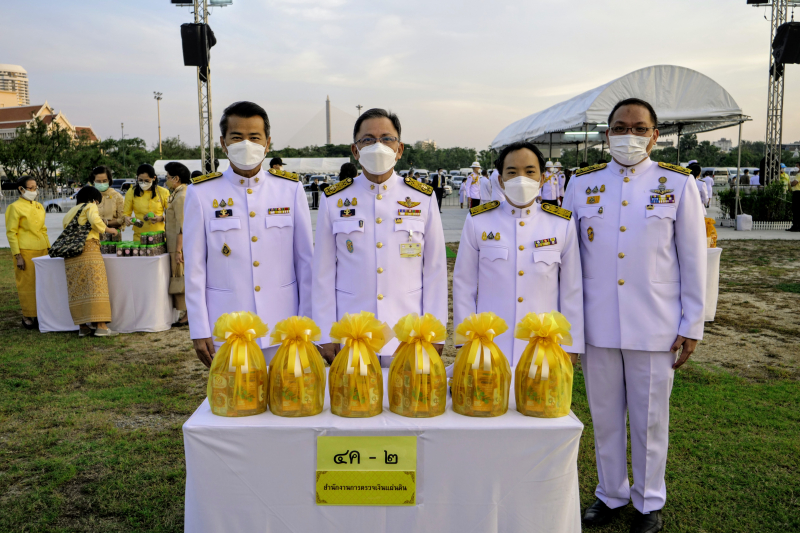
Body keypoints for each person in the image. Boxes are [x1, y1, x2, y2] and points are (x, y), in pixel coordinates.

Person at [563, 97, 706, 533]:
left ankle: (648, 502)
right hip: (597, 323)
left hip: (655, 324)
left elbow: (694, 258)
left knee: (649, 420)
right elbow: (568, 260)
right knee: (605, 417)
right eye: (621, 127)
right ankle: (610, 494)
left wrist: (692, 324)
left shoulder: (677, 183)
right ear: (606, 134)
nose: (630, 134)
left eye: (640, 127)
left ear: (655, 135)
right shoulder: (582, 184)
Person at [312, 108, 448, 367]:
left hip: (408, 333)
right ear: (355, 150)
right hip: (351, 333)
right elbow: (323, 273)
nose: (378, 146)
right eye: (368, 140)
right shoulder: (334, 200)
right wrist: (325, 330)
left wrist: (436, 329)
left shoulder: (422, 197)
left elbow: (435, 270)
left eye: (387, 139)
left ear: (399, 149)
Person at [184, 101, 314, 367]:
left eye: (254, 137)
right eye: (237, 137)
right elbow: (195, 268)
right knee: (237, 403)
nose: (246, 144)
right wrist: (199, 328)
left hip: (283, 323)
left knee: (287, 401)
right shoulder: (201, 193)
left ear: (267, 143)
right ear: (223, 143)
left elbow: (305, 263)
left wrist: (307, 321)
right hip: (227, 325)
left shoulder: (289, 189)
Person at [453, 141, 584, 364]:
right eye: (512, 172)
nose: (521, 178)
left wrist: (572, 344)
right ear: (501, 180)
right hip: (489, 345)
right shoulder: (479, 221)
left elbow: (571, 288)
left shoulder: (561, 223)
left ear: (542, 178)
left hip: (543, 346)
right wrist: (466, 341)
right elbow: (463, 284)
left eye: (530, 171)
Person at [63, 186, 119, 337]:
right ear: (94, 200)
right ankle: (101, 326)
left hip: (71, 255)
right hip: (89, 250)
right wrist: (108, 230)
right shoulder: (90, 206)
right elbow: (95, 220)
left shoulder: (70, 212)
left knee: (78, 289)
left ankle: (83, 327)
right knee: (96, 287)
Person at [5, 176, 50, 329]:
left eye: (35, 187)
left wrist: (49, 248)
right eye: (30, 188)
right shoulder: (14, 207)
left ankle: (40, 314)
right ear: (21, 189)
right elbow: (11, 233)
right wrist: (18, 255)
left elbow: (43, 229)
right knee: (27, 284)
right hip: (25, 250)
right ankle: (27, 315)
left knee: (42, 284)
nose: (33, 191)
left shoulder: (39, 206)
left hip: (42, 249)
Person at [164, 162, 191, 327]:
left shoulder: (181, 197)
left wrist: (179, 250)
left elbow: (182, 226)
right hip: (175, 244)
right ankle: (184, 313)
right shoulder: (177, 194)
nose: (166, 180)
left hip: (179, 246)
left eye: (167, 177)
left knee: (181, 279)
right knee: (179, 278)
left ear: (176, 179)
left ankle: (187, 315)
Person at [123, 164, 169, 241]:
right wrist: (126, 218)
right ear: (137, 178)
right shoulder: (131, 192)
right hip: (139, 236)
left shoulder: (163, 192)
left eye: (147, 181)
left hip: (158, 236)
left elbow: (172, 215)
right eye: (140, 180)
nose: (143, 183)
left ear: (154, 178)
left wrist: (160, 218)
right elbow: (126, 213)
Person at [788, 163, 800, 232]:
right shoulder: (796, 175)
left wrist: (791, 183)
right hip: (795, 192)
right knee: (795, 210)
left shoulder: (799, 175)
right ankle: (795, 225)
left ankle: (797, 226)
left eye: (797, 166)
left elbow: (794, 183)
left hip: (798, 193)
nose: (796, 167)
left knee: (797, 210)